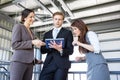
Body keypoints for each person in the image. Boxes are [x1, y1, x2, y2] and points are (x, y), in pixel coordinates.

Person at [10, 8, 45, 80]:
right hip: (19, 61)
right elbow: (14, 44)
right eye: (31, 17)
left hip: (30, 63)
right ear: (25, 18)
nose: (33, 19)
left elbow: (30, 47)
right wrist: (32, 42)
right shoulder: (18, 27)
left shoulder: (31, 32)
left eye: (34, 17)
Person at [39, 12, 73, 80]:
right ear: (53, 19)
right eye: (56, 19)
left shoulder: (68, 33)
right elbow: (42, 50)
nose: (57, 21)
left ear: (63, 20)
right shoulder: (47, 34)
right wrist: (49, 46)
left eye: (60, 19)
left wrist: (60, 49)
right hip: (48, 63)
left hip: (61, 64)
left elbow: (70, 50)